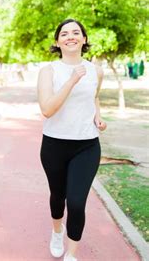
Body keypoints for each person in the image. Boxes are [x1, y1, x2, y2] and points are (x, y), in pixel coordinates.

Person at [37, 19, 107, 261]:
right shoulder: (49, 71)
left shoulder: (96, 70)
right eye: (64, 33)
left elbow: (94, 97)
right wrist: (71, 80)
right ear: (57, 41)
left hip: (87, 145)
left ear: (84, 39)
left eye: (76, 32)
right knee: (58, 196)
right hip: (54, 144)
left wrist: (98, 116)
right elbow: (47, 109)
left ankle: (72, 254)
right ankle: (57, 231)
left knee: (76, 202)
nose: (70, 36)